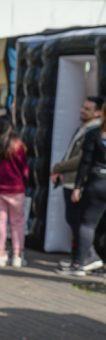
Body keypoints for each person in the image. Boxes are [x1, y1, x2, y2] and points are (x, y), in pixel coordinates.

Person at [52, 96, 103, 273]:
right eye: (83, 107)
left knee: (82, 222)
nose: (82, 110)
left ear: (99, 113)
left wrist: (59, 168)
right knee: (77, 221)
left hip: (85, 181)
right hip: (79, 180)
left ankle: (86, 258)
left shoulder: (94, 132)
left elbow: (83, 160)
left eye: (87, 109)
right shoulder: (85, 129)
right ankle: (83, 257)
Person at [0, 116, 27, 269]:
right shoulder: (17, 145)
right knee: (17, 223)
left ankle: (0, 254)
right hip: (16, 188)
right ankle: (17, 255)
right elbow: (24, 168)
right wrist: (25, 183)